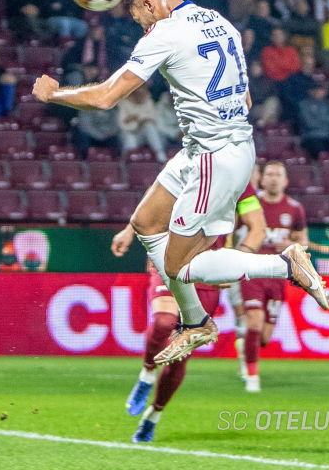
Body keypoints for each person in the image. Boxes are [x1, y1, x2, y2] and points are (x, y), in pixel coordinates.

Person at [33, 0, 329, 364]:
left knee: (179, 265)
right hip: (214, 147)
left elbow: (106, 97)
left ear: (151, 4)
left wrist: (55, 94)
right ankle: (196, 323)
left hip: (214, 155)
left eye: (140, 19)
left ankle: (283, 264)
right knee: (145, 223)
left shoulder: (165, 33)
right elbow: (242, 98)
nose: (142, 28)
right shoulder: (220, 21)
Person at [112, 183, 266, 442]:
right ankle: (147, 375)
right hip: (168, 257)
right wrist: (129, 230)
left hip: (208, 272)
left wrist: (237, 263)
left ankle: (153, 414)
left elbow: (257, 229)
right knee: (163, 322)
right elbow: (154, 200)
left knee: (179, 355)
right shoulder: (185, 164)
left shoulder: (240, 182)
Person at [234, 161, 307, 392]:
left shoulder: (295, 208)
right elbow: (230, 233)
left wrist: (291, 245)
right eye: (269, 174)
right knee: (254, 320)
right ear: (262, 179)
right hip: (252, 272)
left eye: (278, 175)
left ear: (285, 181)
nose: (274, 178)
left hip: (277, 277)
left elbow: (303, 242)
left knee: (263, 338)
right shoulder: (250, 205)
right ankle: (253, 379)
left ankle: (245, 347)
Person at [117, 84, 168, 162]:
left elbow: (153, 121)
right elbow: (122, 125)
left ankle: (159, 154)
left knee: (149, 126)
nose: (141, 95)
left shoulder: (149, 102)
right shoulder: (124, 103)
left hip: (144, 135)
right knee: (130, 138)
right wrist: (140, 122)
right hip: (129, 134)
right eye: (138, 93)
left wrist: (134, 118)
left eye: (143, 92)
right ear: (133, 93)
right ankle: (129, 162)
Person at [300, 81, 329, 159]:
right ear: (310, 91)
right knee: (317, 147)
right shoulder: (303, 104)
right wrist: (325, 120)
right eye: (315, 90)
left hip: (327, 135)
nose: (318, 93)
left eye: (320, 90)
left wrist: (317, 118)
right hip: (311, 136)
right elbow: (309, 123)